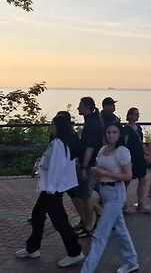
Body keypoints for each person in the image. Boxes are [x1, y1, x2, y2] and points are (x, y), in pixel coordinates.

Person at [16, 113, 85, 268]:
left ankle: (74, 252)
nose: (50, 126)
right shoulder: (62, 142)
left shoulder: (58, 144)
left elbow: (56, 167)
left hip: (52, 189)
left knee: (59, 221)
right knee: (38, 215)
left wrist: (51, 189)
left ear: (57, 126)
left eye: (52, 124)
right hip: (52, 188)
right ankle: (32, 248)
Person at [80, 122, 138, 273]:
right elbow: (100, 170)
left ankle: (87, 270)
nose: (111, 135)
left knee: (100, 234)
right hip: (104, 192)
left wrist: (104, 173)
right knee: (120, 229)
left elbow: (128, 175)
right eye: (108, 132)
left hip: (117, 193)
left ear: (119, 135)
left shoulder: (122, 151)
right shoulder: (102, 149)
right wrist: (95, 174)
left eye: (114, 132)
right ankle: (131, 261)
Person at [72, 97, 104, 238]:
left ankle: (89, 226)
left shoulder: (91, 123)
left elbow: (90, 146)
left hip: (89, 164)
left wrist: (84, 165)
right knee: (87, 194)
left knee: (86, 195)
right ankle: (96, 218)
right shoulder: (95, 121)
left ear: (87, 107)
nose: (78, 108)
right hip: (93, 162)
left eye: (80, 105)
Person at [122, 107, 151, 214]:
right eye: (135, 114)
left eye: (138, 114)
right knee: (126, 181)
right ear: (129, 115)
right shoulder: (126, 129)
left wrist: (146, 153)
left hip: (139, 156)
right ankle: (124, 205)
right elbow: (124, 144)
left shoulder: (138, 128)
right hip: (130, 157)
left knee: (143, 180)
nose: (137, 115)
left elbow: (141, 143)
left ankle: (141, 203)